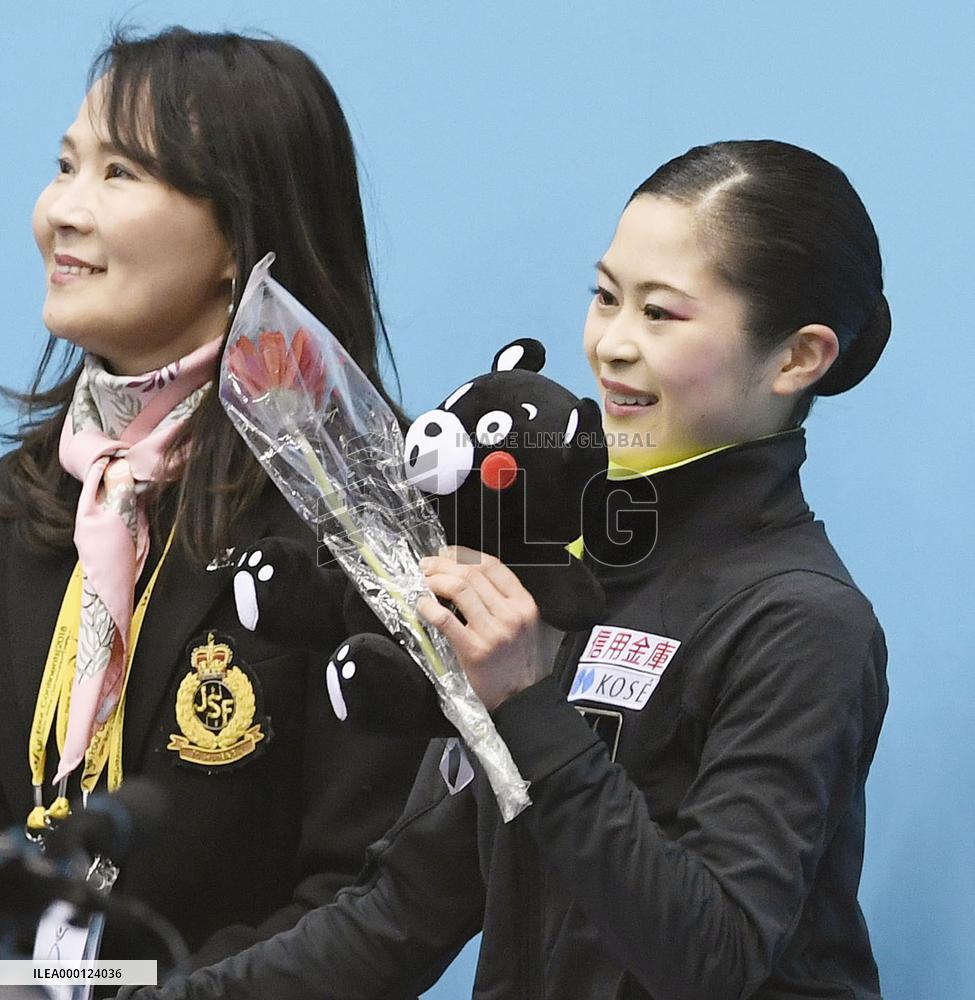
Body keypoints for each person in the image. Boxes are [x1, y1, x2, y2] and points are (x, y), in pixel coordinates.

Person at [123, 139, 890, 999]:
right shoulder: (551, 578)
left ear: (796, 357)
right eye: (605, 297)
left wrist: (527, 705)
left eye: (661, 314)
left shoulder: (801, 620)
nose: (611, 345)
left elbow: (712, 959)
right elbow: (400, 913)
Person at [0, 26, 430, 971]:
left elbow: (371, 894)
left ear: (238, 235)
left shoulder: (361, 516)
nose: (62, 210)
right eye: (65, 166)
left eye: (119, 174)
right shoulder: (21, 499)